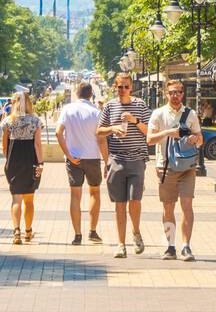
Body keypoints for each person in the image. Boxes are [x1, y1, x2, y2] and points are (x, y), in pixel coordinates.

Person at [96, 73, 151, 258]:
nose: (122, 90)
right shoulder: (110, 106)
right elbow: (99, 131)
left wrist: (134, 120)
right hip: (116, 159)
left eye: (126, 86)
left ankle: (136, 232)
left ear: (131, 87)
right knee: (119, 204)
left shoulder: (140, 105)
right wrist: (113, 128)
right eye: (119, 87)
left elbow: (149, 131)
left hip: (136, 159)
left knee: (134, 200)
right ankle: (121, 243)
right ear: (115, 87)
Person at [147, 80, 203, 260]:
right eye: (172, 92)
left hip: (187, 167)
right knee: (168, 206)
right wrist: (167, 133)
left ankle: (186, 246)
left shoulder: (190, 114)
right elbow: (149, 139)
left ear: (183, 94)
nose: (175, 95)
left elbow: (200, 138)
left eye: (178, 92)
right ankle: (170, 246)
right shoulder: (158, 114)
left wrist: (195, 139)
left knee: (187, 205)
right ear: (166, 94)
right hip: (166, 167)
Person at [56, 81, 104, 245]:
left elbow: (58, 132)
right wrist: (107, 160)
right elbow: (101, 138)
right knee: (95, 193)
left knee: (75, 195)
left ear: (76, 93)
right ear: (91, 94)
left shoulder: (67, 110)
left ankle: (77, 234)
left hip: (74, 158)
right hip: (92, 157)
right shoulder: (96, 112)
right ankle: (92, 230)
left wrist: (68, 154)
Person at [1, 90, 43, 245]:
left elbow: (4, 146)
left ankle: (16, 230)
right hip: (30, 161)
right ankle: (28, 230)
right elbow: (37, 144)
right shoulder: (35, 121)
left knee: (16, 198)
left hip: (13, 162)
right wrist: (41, 163)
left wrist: (8, 160)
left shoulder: (7, 121)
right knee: (29, 200)